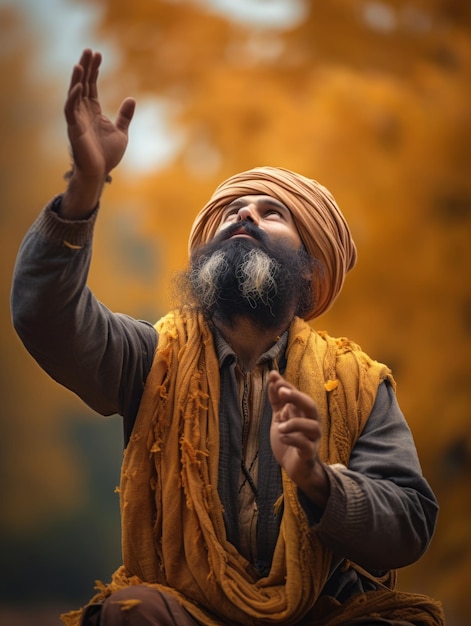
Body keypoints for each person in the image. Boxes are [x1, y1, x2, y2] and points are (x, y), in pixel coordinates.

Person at [11, 49, 444, 626]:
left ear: (311, 271)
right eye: (233, 209)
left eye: (272, 214)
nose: (244, 216)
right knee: (131, 612)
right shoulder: (150, 358)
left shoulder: (359, 385)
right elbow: (44, 315)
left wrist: (317, 478)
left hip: (325, 613)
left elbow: (410, 525)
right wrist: (87, 184)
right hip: (188, 612)